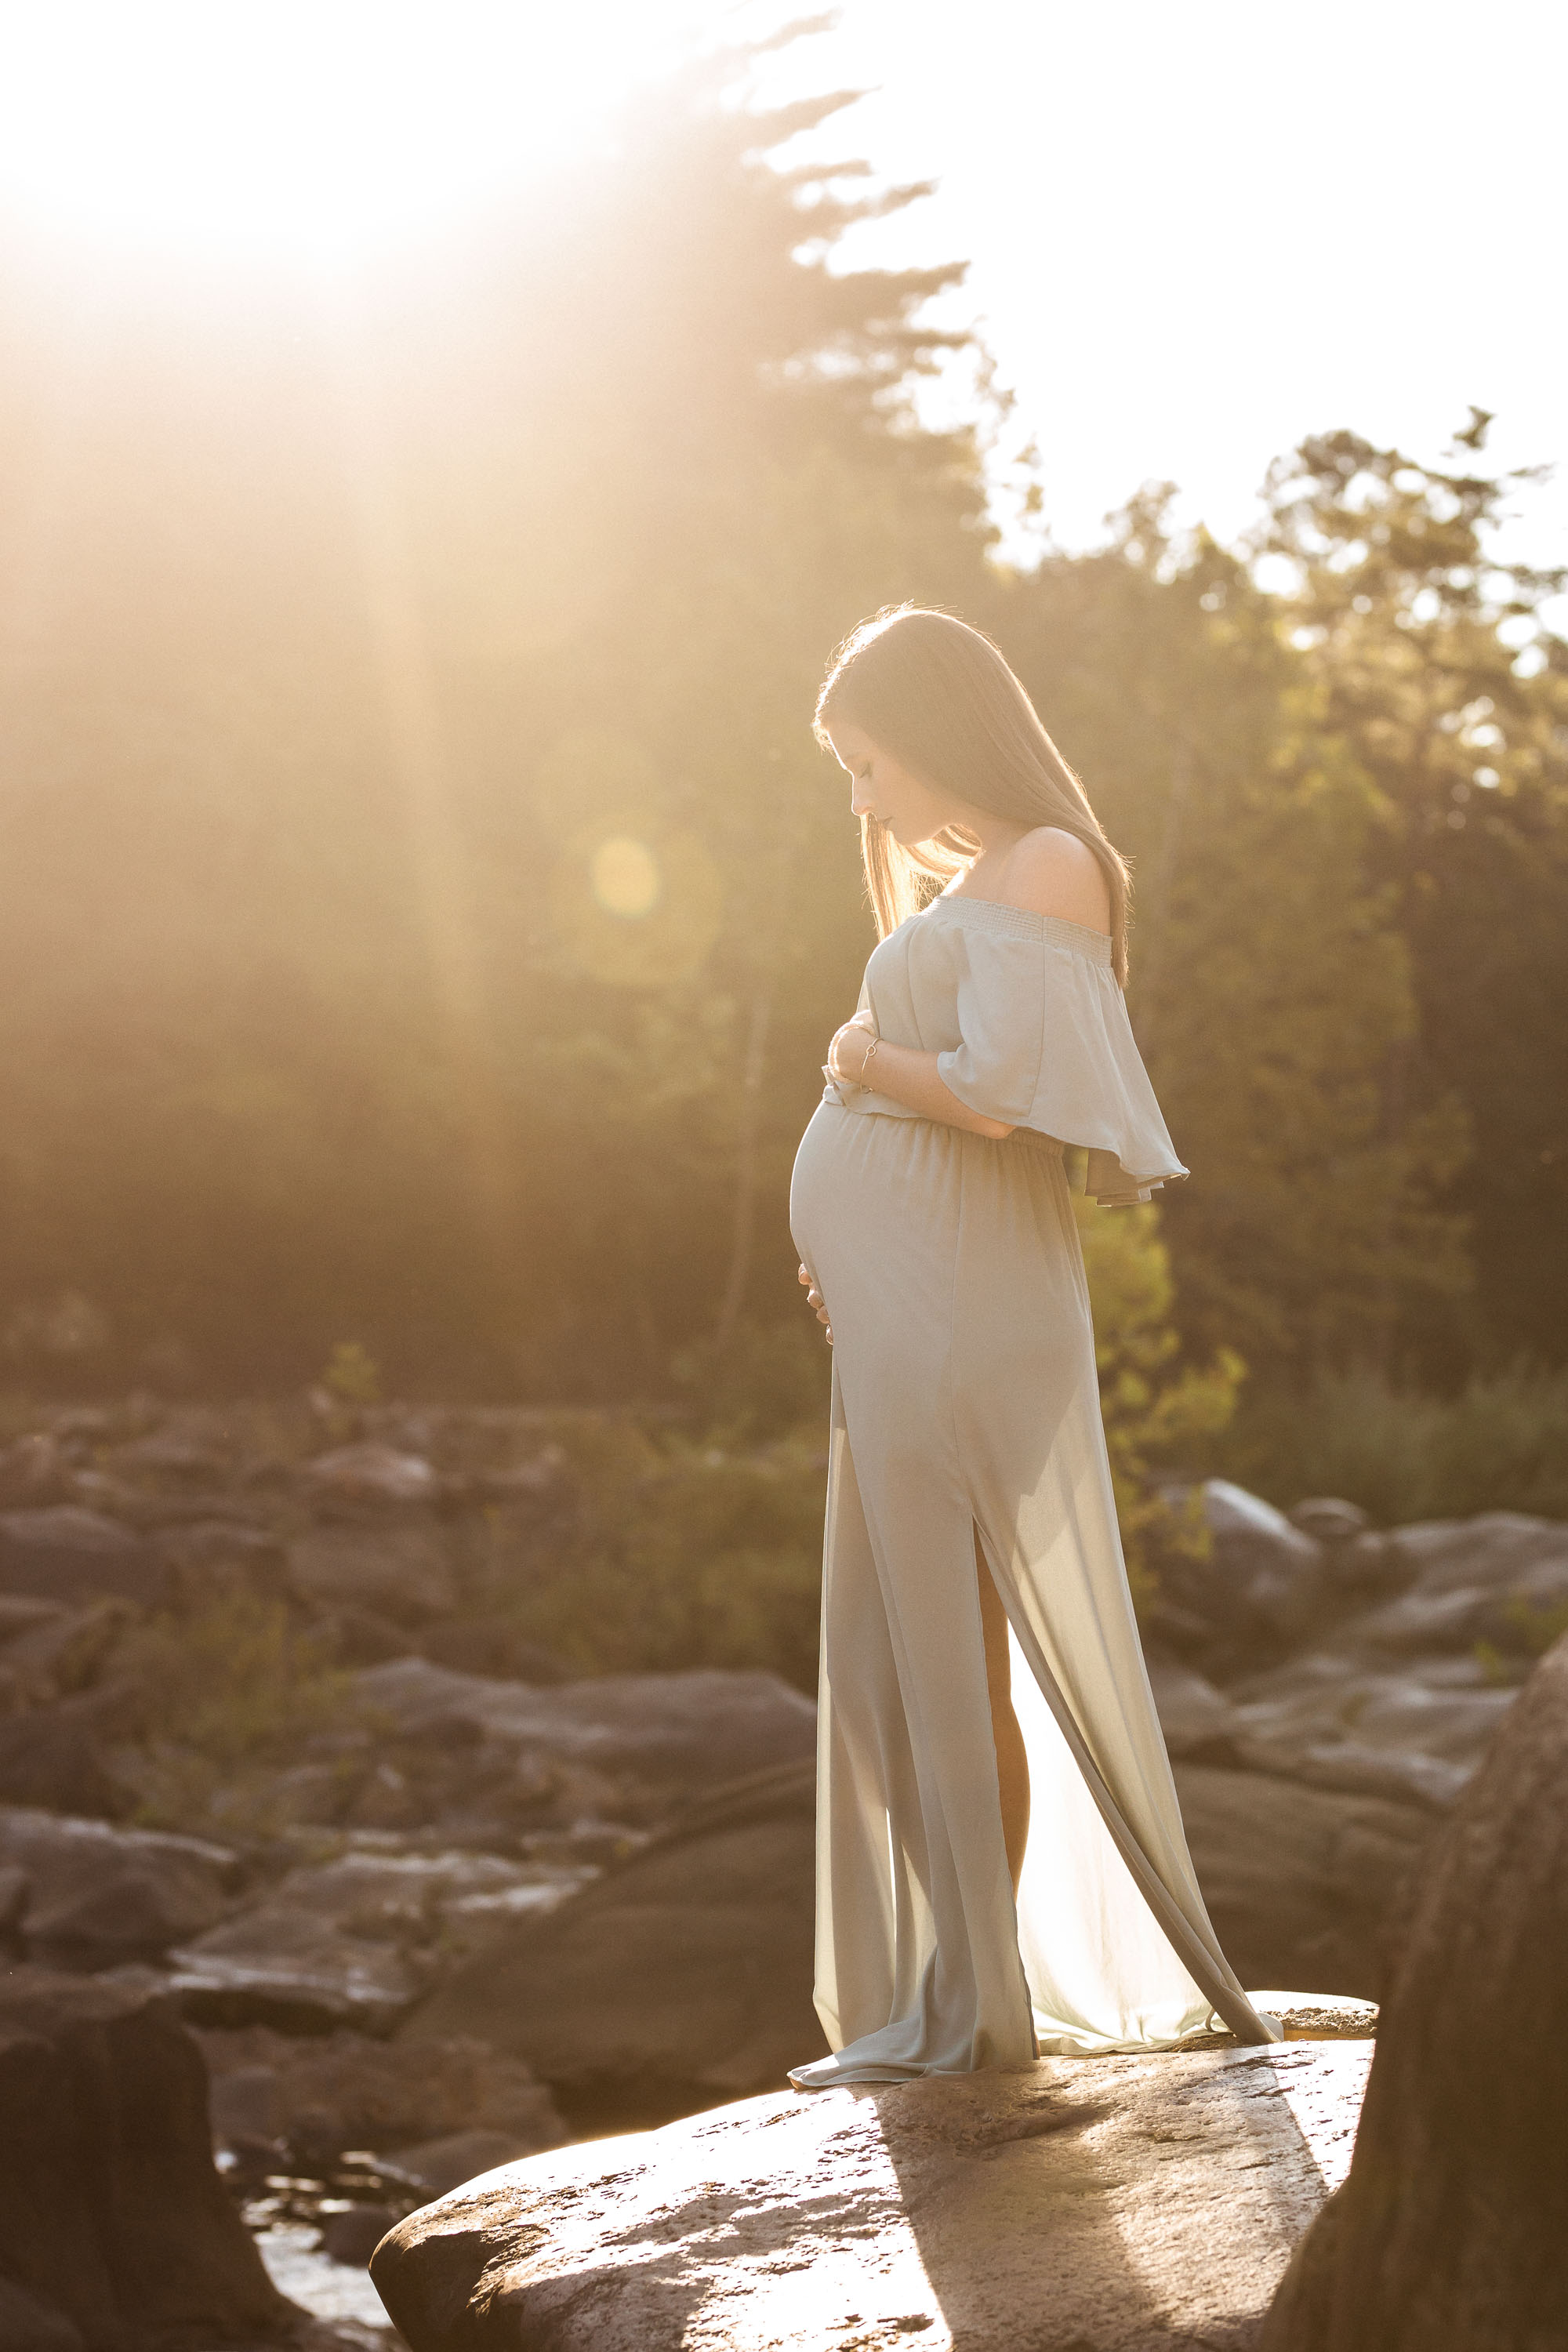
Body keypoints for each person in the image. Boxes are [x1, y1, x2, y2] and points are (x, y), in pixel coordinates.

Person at [787, 605, 1279, 2087]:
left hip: (961, 1311)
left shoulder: (1050, 865)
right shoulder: (985, 879)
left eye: (870, 766)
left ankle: (979, 2009)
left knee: (954, 1647)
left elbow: (1001, 1095)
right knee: (897, 1660)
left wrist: (858, 1061)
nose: (864, 803)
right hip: (908, 1306)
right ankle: (958, 1982)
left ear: (939, 732)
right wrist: (857, 1256)